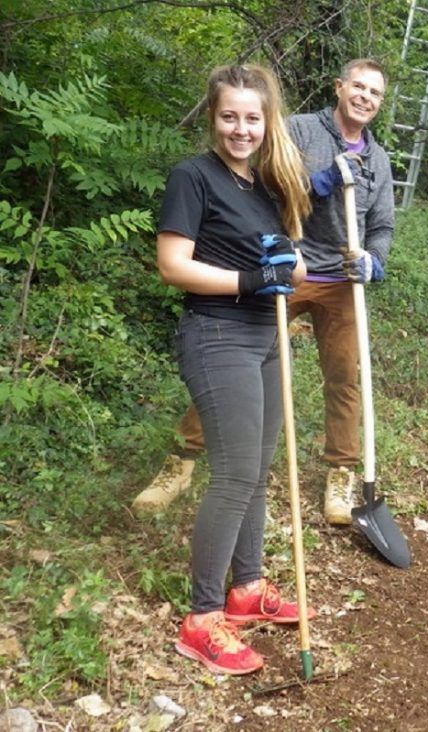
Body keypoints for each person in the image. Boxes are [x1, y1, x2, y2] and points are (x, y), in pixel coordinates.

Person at [133, 59, 395, 526]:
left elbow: (382, 226)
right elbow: (267, 183)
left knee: (344, 377)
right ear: (340, 87)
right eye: (358, 86)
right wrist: (315, 184)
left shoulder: (379, 160)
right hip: (286, 269)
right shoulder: (296, 129)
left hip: (341, 281)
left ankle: (340, 473)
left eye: (374, 93)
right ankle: (182, 461)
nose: (365, 98)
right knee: (238, 361)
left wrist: (374, 260)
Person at [157, 64, 314, 674]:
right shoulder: (192, 177)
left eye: (252, 118)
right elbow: (174, 264)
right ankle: (201, 619)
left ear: (267, 121)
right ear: (213, 116)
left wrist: (303, 266)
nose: (241, 129)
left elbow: (292, 271)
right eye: (229, 116)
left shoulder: (268, 188)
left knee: (259, 468)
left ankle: (246, 590)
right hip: (217, 334)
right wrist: (252, 278)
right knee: (234, 473)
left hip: (267, 335)